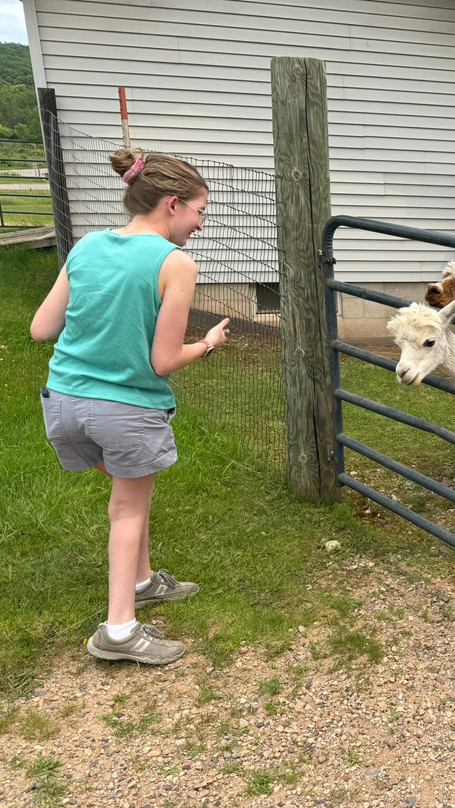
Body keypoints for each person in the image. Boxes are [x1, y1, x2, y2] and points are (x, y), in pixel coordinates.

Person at [30, 146, 230, 665]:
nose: (201, 224)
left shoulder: (87, 245)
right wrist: (207, 344)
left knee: (131, 492)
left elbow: (41, 328)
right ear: (172, 203)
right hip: (124, 411)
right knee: (127, 509)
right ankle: (118, 630)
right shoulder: (175, 262)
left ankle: (142, 581)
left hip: (63, 405)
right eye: (200, 211)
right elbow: (164, 361)